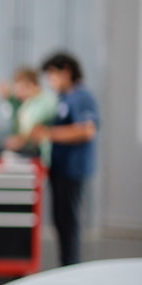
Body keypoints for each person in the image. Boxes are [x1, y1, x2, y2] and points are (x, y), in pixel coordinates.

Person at [29, 52, 100, 267]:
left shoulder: (82, 97)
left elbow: (87, 130)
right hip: (59, 170)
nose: (50, 81)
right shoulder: (63, 98)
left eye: (52, 75)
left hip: (73, 171)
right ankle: (65, 270)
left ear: (66, 71)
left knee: (70, 227)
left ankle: (71, 274)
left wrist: (49, 133)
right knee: (60, 224)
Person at [3, 66, 57, 165]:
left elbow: (36, 129)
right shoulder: (28, 104)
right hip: (32, 155)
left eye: (19, 89)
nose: (17, 95)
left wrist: (20, 141)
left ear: (30, 85)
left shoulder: (47, 101)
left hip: (45, 157)